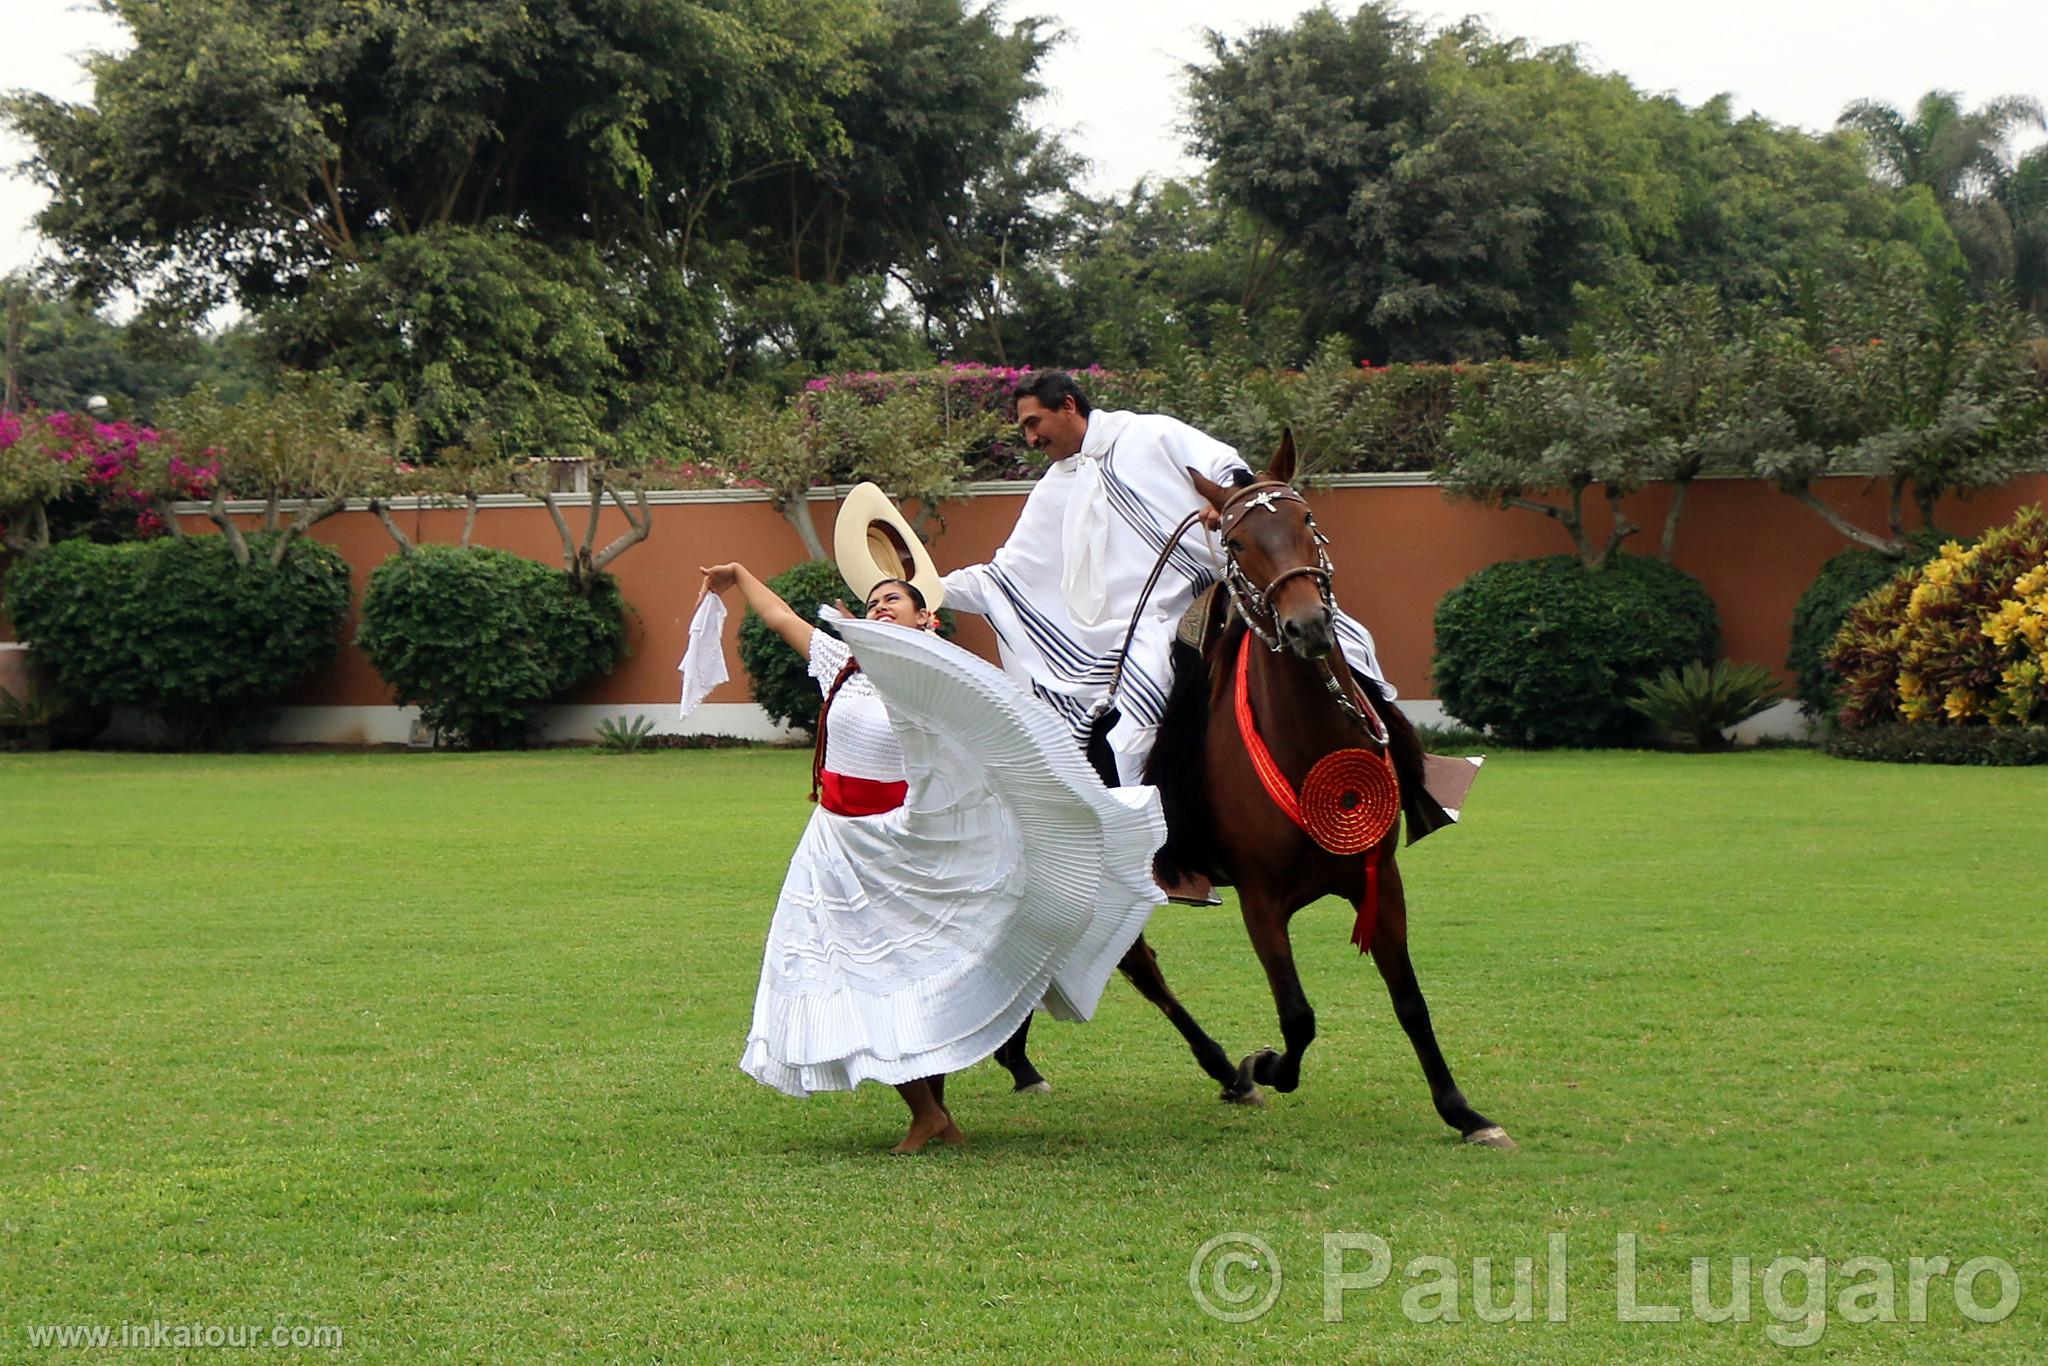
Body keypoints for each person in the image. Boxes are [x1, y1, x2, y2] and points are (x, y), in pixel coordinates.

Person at [696, 552, 1165, 1154]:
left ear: (927, 620)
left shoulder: (943, 679)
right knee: (843, 970)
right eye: (872, 603)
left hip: (906, 844)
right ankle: (929, 1112)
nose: (879, 607)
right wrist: (739, 576)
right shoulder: (842, 663)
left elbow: (996, 745)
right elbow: (780, 615)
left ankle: (932, 1111)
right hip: (836, 845)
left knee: (910, 972)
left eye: (893, 600)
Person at [940, 370, 1398, 790]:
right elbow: (1003, 575)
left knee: (1351, 641)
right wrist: (926, 588)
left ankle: (1409, 773)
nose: (1031, 437)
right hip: (1148, 625)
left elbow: (1225, 468)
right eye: (1024, 429)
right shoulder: (1053, 489)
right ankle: (1158, 836)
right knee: (1144, 696)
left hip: (1223, 587)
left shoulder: (1150, 432)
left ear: (1068, 406)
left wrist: (1225, 503)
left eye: (1033, 422)